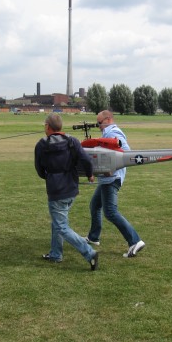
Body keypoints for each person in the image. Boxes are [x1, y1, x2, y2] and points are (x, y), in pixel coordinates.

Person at [35, 113, 100, 270]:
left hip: (56, 191)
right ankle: (56, 254)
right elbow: (86, 159)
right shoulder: (73, 141)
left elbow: (39, 169)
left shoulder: (41, 145)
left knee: (61, 226)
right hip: (71, 189)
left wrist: (50, 177)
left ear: (48, 127)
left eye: (45, 125)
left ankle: (89, 253)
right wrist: (90, 174)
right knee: (57, 222)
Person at [85, 110, 145, 258]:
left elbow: (125, 154)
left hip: (111, 178)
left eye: (99, 123)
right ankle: (93, 237)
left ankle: (135, 241)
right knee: (95, 205)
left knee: (110, 213)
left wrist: (109, 169)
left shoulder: (113, 134)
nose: (98, 126)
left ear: (108, 119)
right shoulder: (109, 133)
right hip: (107, 178)